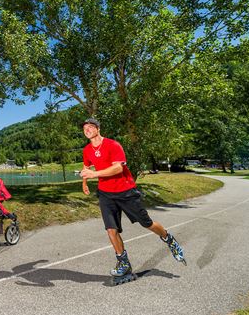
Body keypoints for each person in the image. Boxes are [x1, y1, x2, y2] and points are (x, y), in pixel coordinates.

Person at [78, 117, 185, 283]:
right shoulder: (87, 150)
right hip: (106, 194)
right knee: (111, 230)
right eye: (85, 128)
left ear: (98, 129)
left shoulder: (113, 145)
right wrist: (85, 182)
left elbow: (118, 167)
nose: (87, 130)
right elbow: (86, 167)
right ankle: (123, 263)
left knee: (147, 223)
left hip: (125, 191)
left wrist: (95, 174)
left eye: (91, 127)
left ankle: (168, 238)